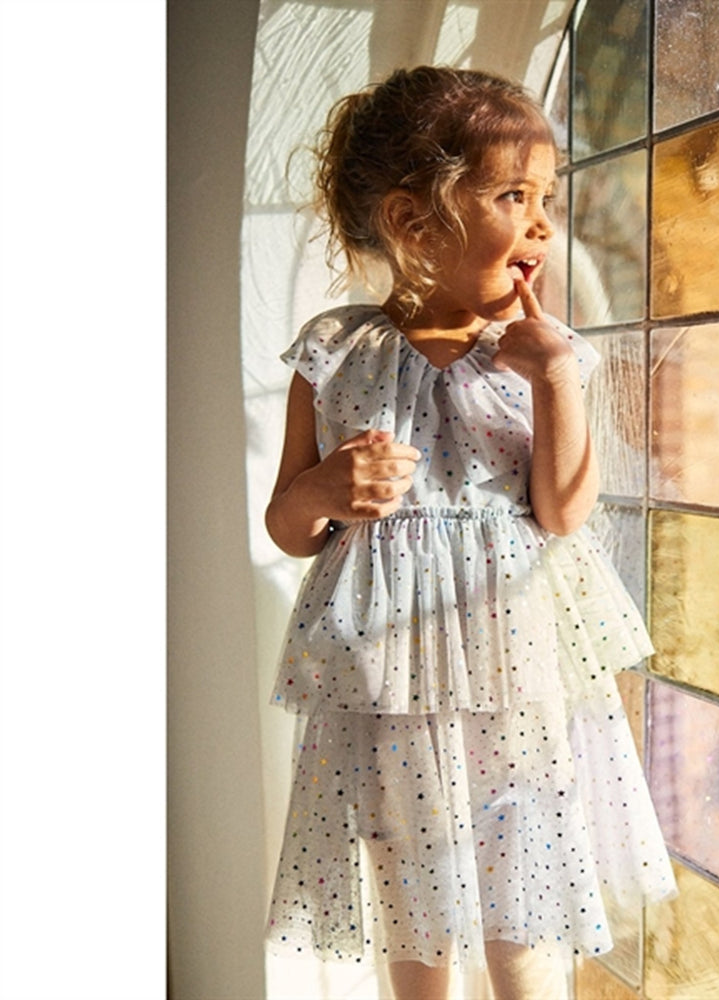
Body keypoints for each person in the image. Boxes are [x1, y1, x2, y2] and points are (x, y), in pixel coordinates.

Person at [264, 65, 677, 1000]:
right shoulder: (338, 351)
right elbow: (291, 525)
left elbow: (563, 511)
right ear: (415, 223)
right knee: (415, 908)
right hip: (388, 682)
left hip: (514, 672)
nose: (542, 225)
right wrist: (324, 487)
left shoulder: (540, 353)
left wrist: (556, 378)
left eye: (547, 199)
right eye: (512, 197)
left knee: (520, 907)